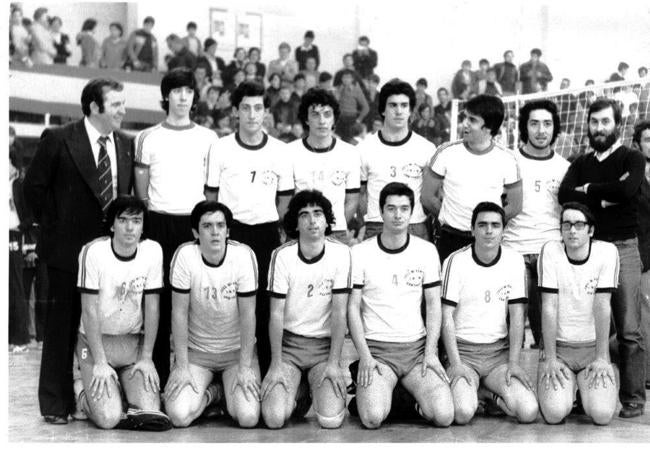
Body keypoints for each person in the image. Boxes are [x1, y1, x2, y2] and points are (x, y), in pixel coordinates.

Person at [24, 78, 132, 424]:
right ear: (94, 107)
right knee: (61, 328)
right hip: (67, 252)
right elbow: (32, 190)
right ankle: (56, 403)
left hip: (112, 255)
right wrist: (56, 229)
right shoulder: (58, 139)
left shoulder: (126, 145)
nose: (123, 110)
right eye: (115, 104)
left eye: (123, 103)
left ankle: (118, 397)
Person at [559, 98, 646, 418]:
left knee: (628, 329)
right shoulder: (581, 161)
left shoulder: (632, 157)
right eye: (594, 122)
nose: (598, 128)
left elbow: (628, 192)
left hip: (623, 248)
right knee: (588, 324)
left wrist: (589, 190)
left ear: (617, 125)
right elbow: (565, 195)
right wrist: (606, 193)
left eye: (605, 122)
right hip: (589, 251)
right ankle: (588, 392)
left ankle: (633, 396)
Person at [134, 68, 220, 388]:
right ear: (166, 96)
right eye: (176, 91)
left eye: (188, 91)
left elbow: (212, 192)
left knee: (193, 302)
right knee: (158, 302)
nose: (183, 97)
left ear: (194, 97)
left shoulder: (208, 138)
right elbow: (142, 192)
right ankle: (155, 377)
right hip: (159, 224)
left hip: (193, 226)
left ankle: (194, 378)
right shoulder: (148, 137)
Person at [205, 81, 294, 375]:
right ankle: (229, 371)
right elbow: (211, 198)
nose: (252, 115)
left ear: (266, 112)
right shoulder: (220, 148)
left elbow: (284, 199)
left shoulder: (280, 151)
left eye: (258, 108)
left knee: (266, 307)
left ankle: (270, 372)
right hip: (233, 236)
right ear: (235, 112)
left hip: (267, 235)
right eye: (246, 108)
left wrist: (269, 220)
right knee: (230, 304)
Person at [348, 182, 454, 429]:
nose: (398, 215)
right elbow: (352, 308)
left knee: (444, 416)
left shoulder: (426, 251)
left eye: (404, 209)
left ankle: (400, 396)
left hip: (416, 352)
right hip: (378, 353)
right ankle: (373, 394)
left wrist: (430, 353)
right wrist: (364, 356)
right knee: (372, 418)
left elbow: (433, 306)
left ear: (412, 212)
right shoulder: (361, 253)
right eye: (391, 209)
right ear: (381, 211)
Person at [74, 196, 171, 430]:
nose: (130, 227)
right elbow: (88, 310)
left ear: (143, 226)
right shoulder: (93, 252)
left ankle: (120, 393)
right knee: (108, 419)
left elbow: (152, 307)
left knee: (150, 411)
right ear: (111, 224)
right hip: (96, 343)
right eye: (123, 220)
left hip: (131, 343)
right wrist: (99, 362)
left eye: (136, 221)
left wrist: (147, 358)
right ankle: (79, 388)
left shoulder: (152, 251)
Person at [163, 201, 260, 428]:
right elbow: (178, 313)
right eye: (207, 226)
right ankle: (213, 395)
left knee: (248, 418)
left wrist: (245, 368)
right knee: (178, 415)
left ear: (228, 230)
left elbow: (248, 315)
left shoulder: (244, 256)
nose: (215, 232)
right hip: (197, 353)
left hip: (236, 354)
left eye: (220, 225)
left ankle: (225, 393)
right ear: (196, 232)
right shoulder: (185, 256)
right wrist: (182, 366)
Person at [441, 202, 539, 425]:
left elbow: (516, 316)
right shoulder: (455, 261)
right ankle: (478, 393)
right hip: (463, 353)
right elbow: (446, 316)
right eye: (482, 225)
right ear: (472, 229)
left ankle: (486, 391)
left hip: (498, 355)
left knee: (529, 411)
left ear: (503, 230)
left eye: (495, 225)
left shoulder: (514, 261)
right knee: (463, 412)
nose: (488, 230)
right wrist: (455, 363)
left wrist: (514, 362)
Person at [261, 190, 350, 428]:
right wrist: (276, 364)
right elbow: (276, 314)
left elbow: (340, 313)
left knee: (330, 420)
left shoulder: (342, 254)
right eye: (304, 215)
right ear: (296, 223)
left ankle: (312, 387)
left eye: (318, 214)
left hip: (323, 348)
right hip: (290, 347)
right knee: (273, 418)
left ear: (327, 219)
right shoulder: (282, 256)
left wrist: (334, 363)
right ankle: (299, 391)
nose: (312, 221)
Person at [536, 202, 619, 425]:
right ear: (561, 229)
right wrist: (551, 358)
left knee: (601, 415)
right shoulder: (550, 251)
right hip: (560, 349)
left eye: (579, 225)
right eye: (567, 225)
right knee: (554, 414)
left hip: (592, 349)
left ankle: (585, 390)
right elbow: (549, 306)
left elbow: (603, 305)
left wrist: (602, 357)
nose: (572, 230)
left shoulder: (607, 252)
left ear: (591, 230)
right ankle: (569, 388)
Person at [422, 94, 522, 261]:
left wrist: (487, 224)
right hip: (450, 237)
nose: (465, 124)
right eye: (465, 118)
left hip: (488, 240)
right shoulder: (446, 152)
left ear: (488, 127)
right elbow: (427, 197)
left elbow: (515, 205)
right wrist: (451, 217)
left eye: (472, 120)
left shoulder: (508, 159)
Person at [502, 100, 570, 348]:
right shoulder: (508, 161)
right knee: (510, 331)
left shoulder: (564, 168)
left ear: (555, 128)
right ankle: (506, 383)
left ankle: (551, 384)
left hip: (550, 253)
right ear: (524, 127)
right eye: (534, 123)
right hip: (513, 251)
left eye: (547, 124)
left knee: (549, 335)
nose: (541, 130)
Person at [359, 79, 433, 240]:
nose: (399, 111)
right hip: (377, 225)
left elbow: (430, 195)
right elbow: (361, 195)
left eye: (404, 105)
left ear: (411, 110)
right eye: (393, 105)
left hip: (415, 225)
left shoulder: (426, 148)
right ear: (383, 110)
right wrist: (371, 219)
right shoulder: (364, 148)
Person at [288, 88, 360, 243]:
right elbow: (286, 200)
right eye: (315, 114)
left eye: (327, 114)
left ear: (334, 118)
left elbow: (352, 200)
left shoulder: (350, 153)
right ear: (306, 119)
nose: (322, 121)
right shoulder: (290, 152)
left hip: (336, 232)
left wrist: (330, 226)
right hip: (300, 232)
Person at [632, 120, 650, 390]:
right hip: (643, 252)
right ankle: (645, 373)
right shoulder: (632, 175)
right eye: (648, 139)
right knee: (644, 315)